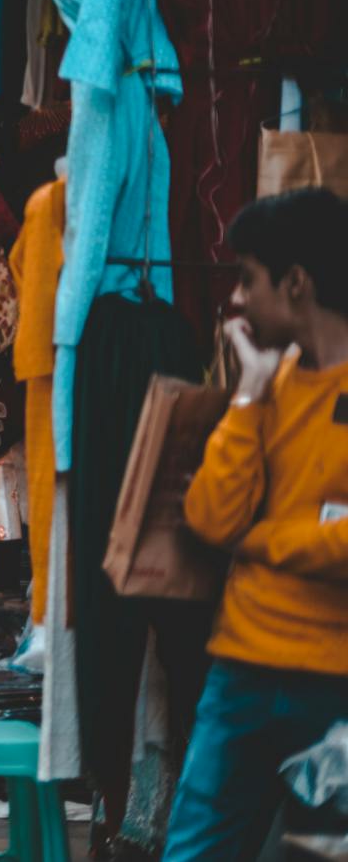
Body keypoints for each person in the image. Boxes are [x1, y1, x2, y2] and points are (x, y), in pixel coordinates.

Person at [162, 189, 348, 861]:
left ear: (296, 282)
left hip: (336, 683)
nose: (237, 300)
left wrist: (263, 540)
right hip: (241, 669)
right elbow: (212, 516)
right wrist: (246, 396)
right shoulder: (270, 381)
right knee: (193, 851)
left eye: (248, 278)